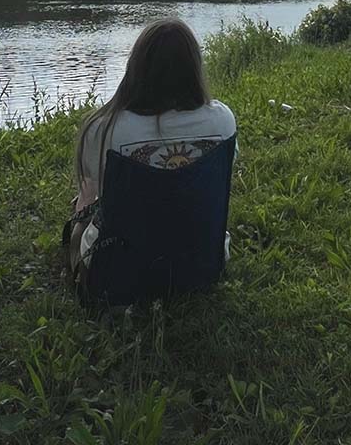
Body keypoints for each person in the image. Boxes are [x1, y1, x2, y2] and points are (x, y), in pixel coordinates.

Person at [64, 18, 237, 292]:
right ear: (194, 67)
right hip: (200, 263)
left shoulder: (103, 128)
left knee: (84, 201)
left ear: (136, 67)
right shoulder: (223, 120)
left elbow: (92, 188)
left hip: (119, 271)